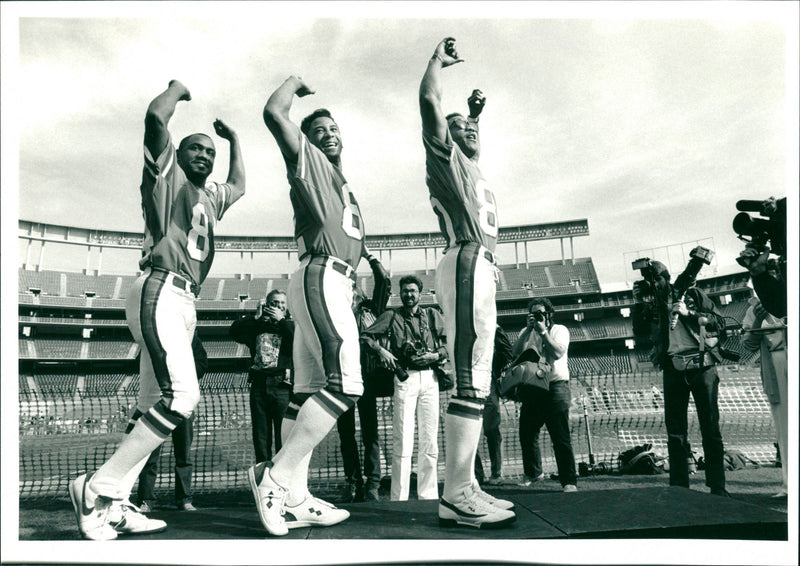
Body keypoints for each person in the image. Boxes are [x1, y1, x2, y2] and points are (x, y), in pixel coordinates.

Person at [68, 79, 245, 540]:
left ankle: (114, 504)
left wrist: (235, 142)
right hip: (162, 287)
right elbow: (154, 119)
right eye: (196, 150)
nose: (205, 156)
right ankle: (98, 485)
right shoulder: (167, 177)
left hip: (185, 301)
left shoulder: (210, 197)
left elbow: (239, 185)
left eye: (210, 152)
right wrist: (176, 89)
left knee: (151, 404)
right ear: (178, 154)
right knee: (182, 399)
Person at [249, 75, 388, 536]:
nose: (328, 134)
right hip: (321, 272)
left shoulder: (341, 181)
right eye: (319, 131)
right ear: (308, 142)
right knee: (346, 384)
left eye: (333, 129)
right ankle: (275, 477)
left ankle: (295, 496)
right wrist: (293, 83)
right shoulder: (308, 162)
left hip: (331, 279)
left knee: (308, 393)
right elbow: (274, 113)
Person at [419, 37, 515, 529]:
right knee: (469, 377)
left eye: (472, 125)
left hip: (481, 265)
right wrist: (437, 64)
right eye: (458, 128)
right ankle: (455, 492)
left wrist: (475, 114)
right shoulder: (445, 158)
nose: (469, 129)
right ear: (445, 138)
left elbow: (469, 135)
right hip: (465, 260)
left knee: (478, 379)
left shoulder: (471, 164)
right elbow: (431, 105)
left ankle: (465, 485)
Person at [637, 261, 729, 496]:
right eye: (649, 279)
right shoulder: (653, 305)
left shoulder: (693, 293)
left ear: (667, 277)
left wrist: (690, 314)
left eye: (656, 278)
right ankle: (679, 487)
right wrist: (639, 303)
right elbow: (638, 333)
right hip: (673, 366)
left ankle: (717, 486)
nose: (653, 283)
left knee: (710, 427)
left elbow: (720, 324)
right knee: (675, 431)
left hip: (702, 364)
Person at [361, 275, 447, 501]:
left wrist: (435, 354)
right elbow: (366, 337)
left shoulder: (432, 315)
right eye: (405, 291)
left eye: (413, 290)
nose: (409, 294)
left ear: (420, 293)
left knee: (430, 438)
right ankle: (398, 497)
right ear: (401, 294)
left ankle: (428, 495)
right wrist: (382, 351)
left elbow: (449, 343)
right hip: (404, 377)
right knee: (403, 438)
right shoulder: (391, 315)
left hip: (430, 377)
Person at [136, 331, 208, 512]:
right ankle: (146, 499)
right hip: (156, 401)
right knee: (149, 455)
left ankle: (184, 499)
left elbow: (202, 363)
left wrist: (183, 375)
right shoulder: (156, 335)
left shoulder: (192, 338)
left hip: (182, 401)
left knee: (183, 454)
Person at [513, 298, 578, 492]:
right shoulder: (526, 333)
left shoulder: (560, 330)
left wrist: (542, 331)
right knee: (526, 432)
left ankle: (568, 481)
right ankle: (533, 473)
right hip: (533, 388)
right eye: (533, 313)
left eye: (540, 313)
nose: (536, 317)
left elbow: (557, 353)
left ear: (549, 314)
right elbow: (515, 354)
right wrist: (527, 331)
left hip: (555, 386)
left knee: (560, 436)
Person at [336, 282, 391, 503]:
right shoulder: (337, 314)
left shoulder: (370, 311)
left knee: (371, 433)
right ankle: (353, 481)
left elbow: (383, 282)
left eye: (352, 292)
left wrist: (368, 256)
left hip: (367, 378)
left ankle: (373, 483)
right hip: (342, 378)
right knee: (345, 434)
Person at [230, 290, 294, 464]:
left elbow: (296, 339)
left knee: (283, 432)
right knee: (261, 433)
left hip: (282, 384)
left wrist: (281, 320)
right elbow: (234, 331)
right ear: (267, 305)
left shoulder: (289, 325)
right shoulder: (255, 327)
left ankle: (281, 473)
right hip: (259, 384)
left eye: (282, 303)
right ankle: (263, 472)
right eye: (275, 302)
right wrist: (255, 318)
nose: (279, 306)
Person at [742, 295, 787, 498]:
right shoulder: (754, 310)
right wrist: (759, 320)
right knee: (784, 427)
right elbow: (749, 345)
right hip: (776, 361)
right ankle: (789, 485)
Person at [474, 325, 514, 485]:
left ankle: (497, 473)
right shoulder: (461, 325)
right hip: (467, 381)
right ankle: (476, 475)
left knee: (491, 430)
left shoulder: (491, 328)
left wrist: (496, 329)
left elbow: (507, 353)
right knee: (468, 432)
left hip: (488, 383)